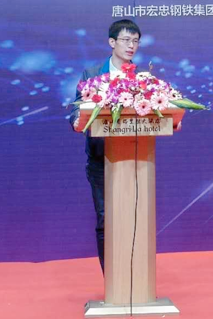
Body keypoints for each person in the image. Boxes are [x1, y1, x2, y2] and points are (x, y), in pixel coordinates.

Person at [69, 19, 142, 272]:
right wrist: (77, 120)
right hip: (101, 160)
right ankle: (112, 279)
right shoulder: (92, 75)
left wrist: (171, 120)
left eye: (135, 41)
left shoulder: (142, 79)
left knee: (134, 219)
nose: (131, 46)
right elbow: (77, 110)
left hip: (135, 160)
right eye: (126, 40)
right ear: (112, 42)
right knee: (105, 219)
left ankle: (134, 277)